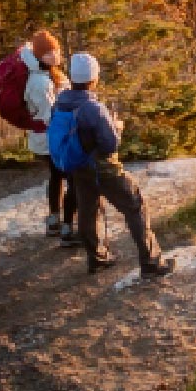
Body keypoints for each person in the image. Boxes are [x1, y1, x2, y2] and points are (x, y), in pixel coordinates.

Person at [47, 51, 173, 278]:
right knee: (134, 205)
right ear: (93, 79)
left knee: (87, 211)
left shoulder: (60, 103)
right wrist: (117, 126)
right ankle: (151, 262)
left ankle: (97, 259)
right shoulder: (93, 109)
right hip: (102, 169)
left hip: (77, 168)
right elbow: (110, 144)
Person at [16, 28, 74, 240]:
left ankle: (54, 220)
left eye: (56, 50)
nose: (55, 55)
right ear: (39, 56)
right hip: (50, 138)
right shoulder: (39, 82)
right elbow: (50, 115)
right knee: (71, 178)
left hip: (48, 138)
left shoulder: (48, 74)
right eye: (49, 52)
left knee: (57, 176)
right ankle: (67, 228)